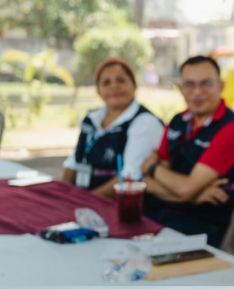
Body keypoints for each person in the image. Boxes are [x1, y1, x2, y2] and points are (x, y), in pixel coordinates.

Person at [140, 56, 234, 247]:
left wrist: (151, 167)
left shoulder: (233, 130)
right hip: (161, 215)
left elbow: (185, 189)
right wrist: (194, 196)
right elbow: (148, 184)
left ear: (221, 86)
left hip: (203, 228)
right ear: (180, 88)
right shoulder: (177, 121)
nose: (197, 92)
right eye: (189, 84)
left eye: (206, 84)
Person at [61, 58, 164, 200]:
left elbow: (129, 177)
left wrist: (85, 201)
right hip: (80, 199)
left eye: (121, 80)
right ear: (98, 90)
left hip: (115, 204)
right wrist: (63, 196)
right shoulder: (91, 119)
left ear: (134, 86)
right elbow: (73, 163)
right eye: (106, 82)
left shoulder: (145, 122)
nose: (114, 86)